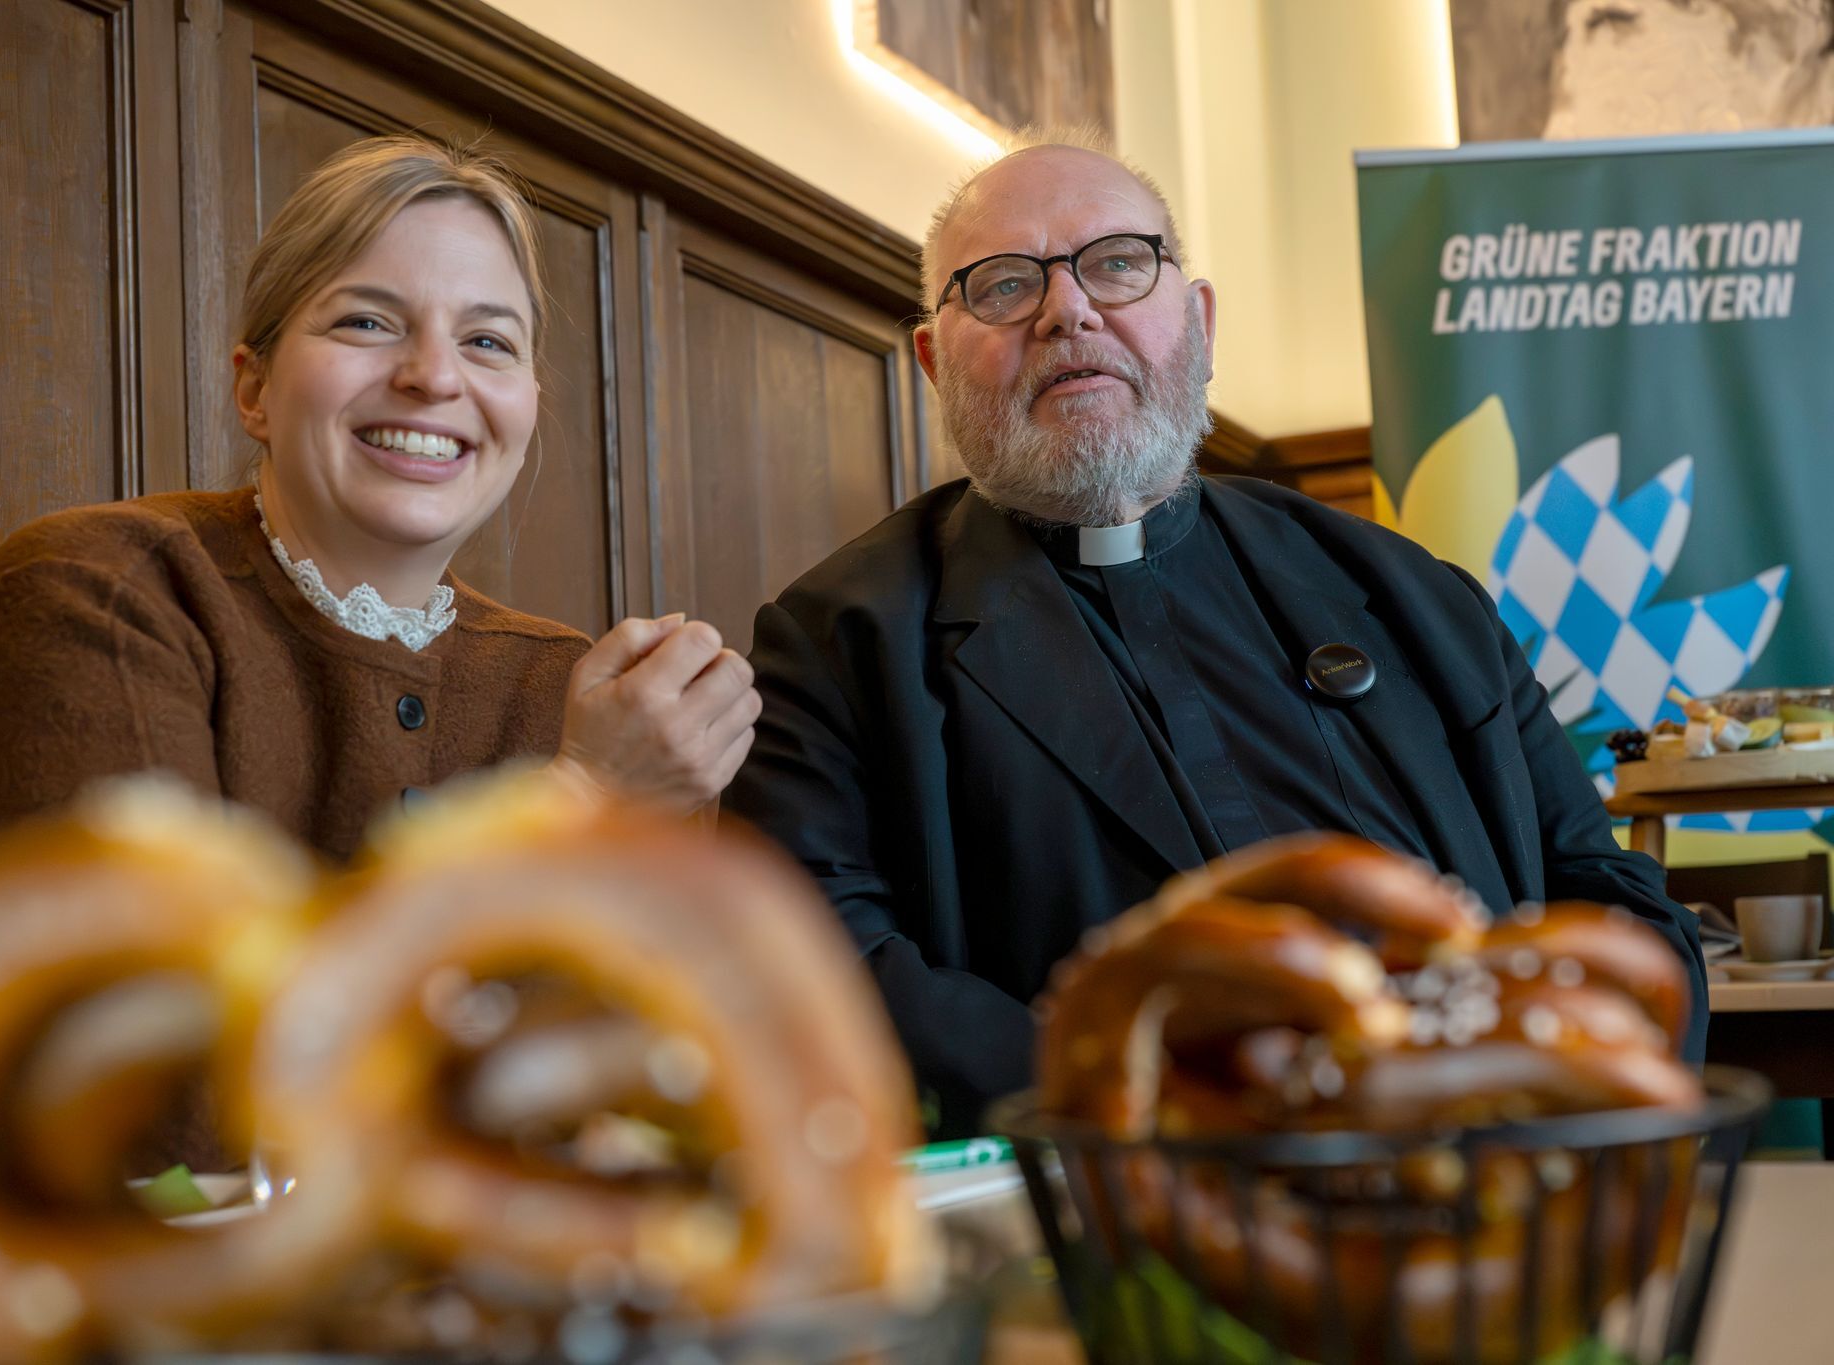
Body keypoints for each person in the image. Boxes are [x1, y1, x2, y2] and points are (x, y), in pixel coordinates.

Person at [721, 133, 1708, 1136]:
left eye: (1115, 263)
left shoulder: (1411, 596)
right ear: (934, 362)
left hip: (1488, 1186)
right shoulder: (836, 642)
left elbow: (1600, 890)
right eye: (1003, 285)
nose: (1067, 311)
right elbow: (818, 960)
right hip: (1107, 1219)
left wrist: (1557, 1080)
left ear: (1194, 322)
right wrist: (1162, 1109)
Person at [0, 136, 759, 868]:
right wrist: (581, 796)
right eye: (367, 323)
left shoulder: (564, 685)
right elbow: (164, 1027)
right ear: (256, 390)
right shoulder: (97, 590)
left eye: (487, 341)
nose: (433, 374)